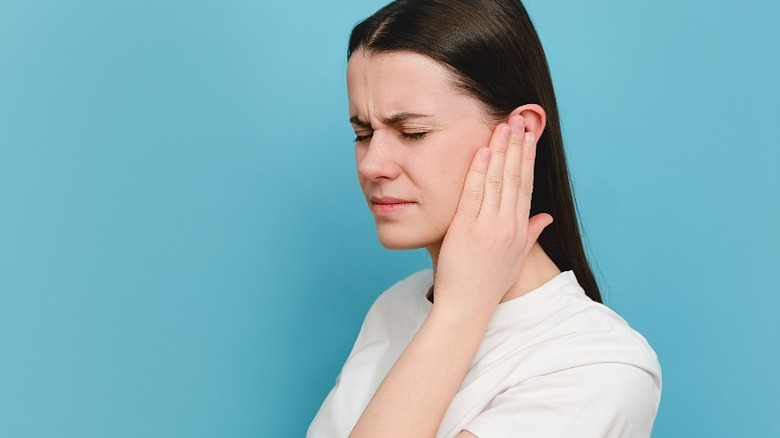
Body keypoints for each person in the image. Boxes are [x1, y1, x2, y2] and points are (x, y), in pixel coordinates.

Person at [307, 0, 662, 436]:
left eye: (412, 132)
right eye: (362, 133)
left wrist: (459, 313)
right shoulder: (394, 307)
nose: (371, 164)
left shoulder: (599, 367)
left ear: (521, 132)